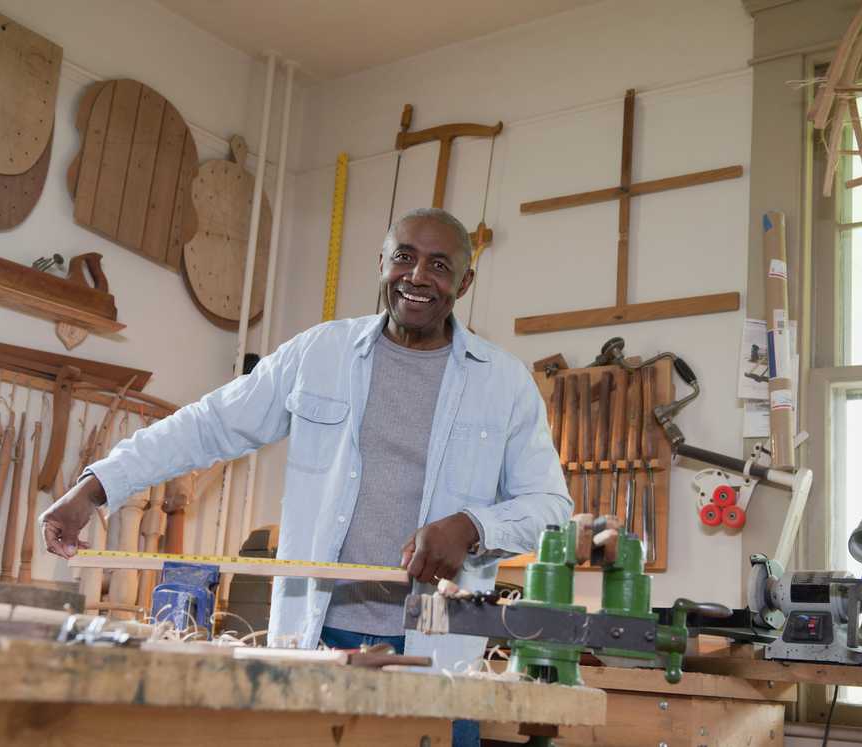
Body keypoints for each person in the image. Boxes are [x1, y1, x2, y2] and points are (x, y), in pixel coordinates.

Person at [40, 207, 570, 746]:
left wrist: (471, 526)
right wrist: (96, 487)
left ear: (464, 282)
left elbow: (551, 509)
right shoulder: (321, 353)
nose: (416, 277)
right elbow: (209, 424)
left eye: (439, 265)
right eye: (404, 258)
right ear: (381, 263)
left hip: (438, 655)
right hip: (318, 641)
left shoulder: (503, 383)